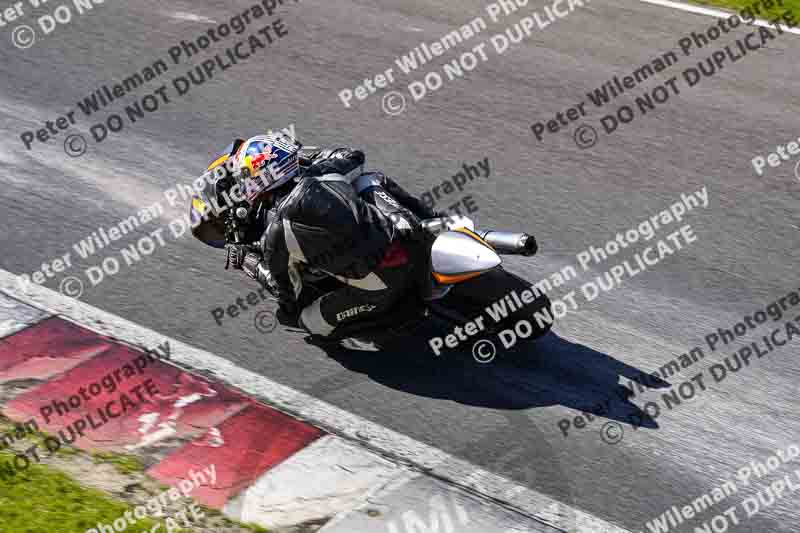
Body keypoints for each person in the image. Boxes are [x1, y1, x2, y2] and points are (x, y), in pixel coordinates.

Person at [222, 133, 441, 340]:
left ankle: (388, 328)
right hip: (406, 238)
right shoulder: (322, 173)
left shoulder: (275, 236)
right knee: (369, 179)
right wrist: (313, 158)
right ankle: (433, 218)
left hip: (385, 283)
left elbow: (288, 293)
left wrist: (247, 260)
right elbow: (355, 156)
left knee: (306, 322)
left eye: (246, 178)